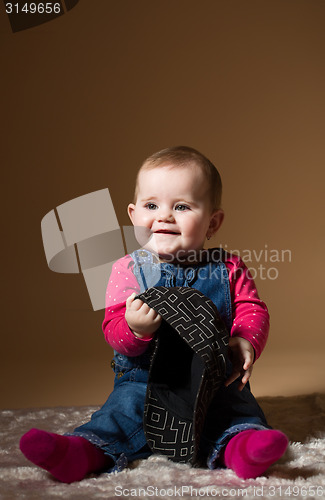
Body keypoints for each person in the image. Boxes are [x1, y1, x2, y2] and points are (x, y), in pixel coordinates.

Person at [20, 146, 288, 483]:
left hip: (214, 380)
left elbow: (252, 309)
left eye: (181, 206)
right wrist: (134, 329)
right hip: (145, 381)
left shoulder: (228, 266)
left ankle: (244, 448)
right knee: (120, 412)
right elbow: (114, 330)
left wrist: (245, 340)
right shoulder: (127, 270)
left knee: (234, 409)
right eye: (151, 206)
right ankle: (80, 452)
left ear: (212, 222)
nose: (164, 216)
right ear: (134, 216)